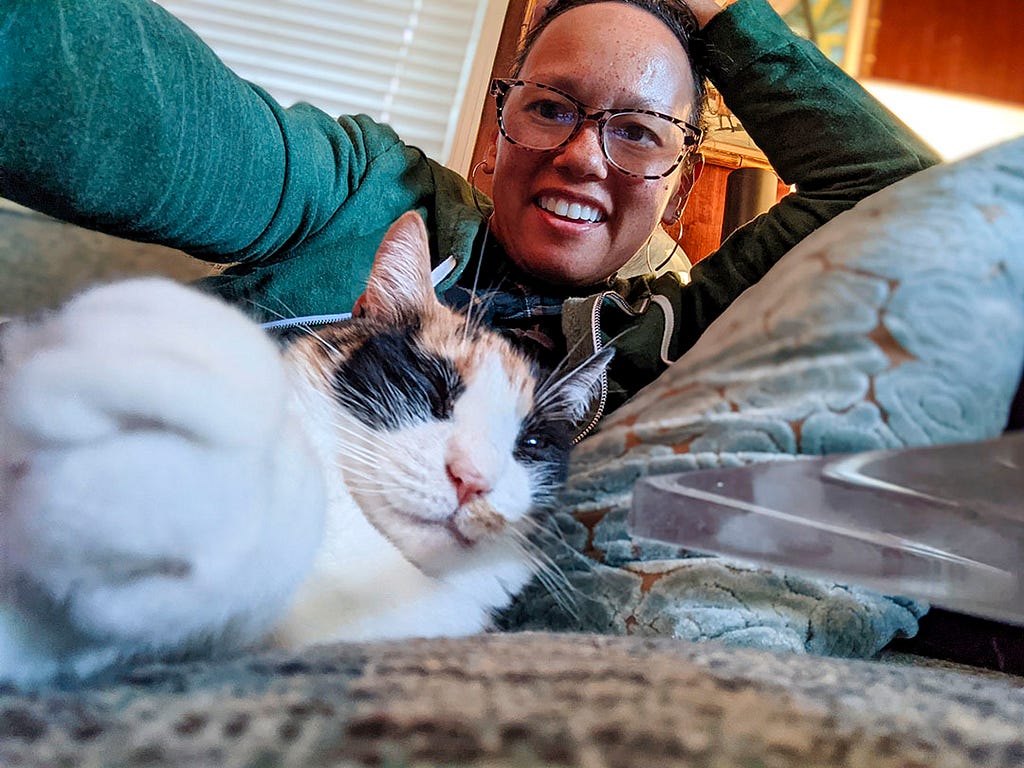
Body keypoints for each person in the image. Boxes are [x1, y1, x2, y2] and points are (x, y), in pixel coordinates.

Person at [0, 0, 939, 439]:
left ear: (681, 182)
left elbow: (907, 200)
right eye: (550, 107)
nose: (582, 155)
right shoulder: (371, 195)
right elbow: (146, 112)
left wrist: (730, 16)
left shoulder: (675, 335)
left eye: (639, 131)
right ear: (498, 131)